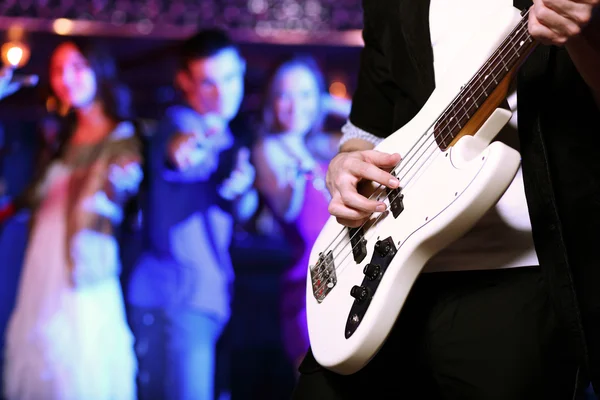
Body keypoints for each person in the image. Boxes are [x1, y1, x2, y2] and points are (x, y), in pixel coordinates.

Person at [293, 0, 600, 399]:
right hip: (384, 266)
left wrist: (588, 36)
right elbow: (368, 125)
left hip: (518, 279)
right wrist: (344, 165)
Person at [3, 41, 141, 400]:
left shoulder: (120, 137)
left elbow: (123, 186)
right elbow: (30, 197)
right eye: (59, 69)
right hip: (42, 261)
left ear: (98, 69)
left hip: (85, 265)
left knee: (79, 363)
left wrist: (120, 183)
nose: (67, 78)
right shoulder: (60, 139)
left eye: (78, 66)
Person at [127, 28, 255, 400]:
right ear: (185, 82)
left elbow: (239, 208)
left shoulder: (231, 139)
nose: (222, 93)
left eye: (230, 78)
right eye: (208, 83)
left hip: (198, 295)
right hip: (173, 295)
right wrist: (188, 150)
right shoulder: (182, 121)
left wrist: (241, 187)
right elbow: (180, 151)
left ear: (242, 70)